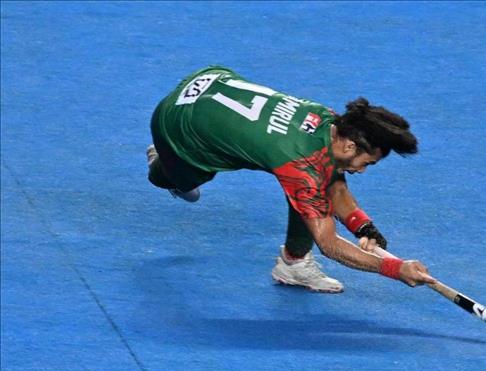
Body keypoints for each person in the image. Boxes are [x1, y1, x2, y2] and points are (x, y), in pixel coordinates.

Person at [146, 65, 436, 293]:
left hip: (209, 80)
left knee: (309, 186)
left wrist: (364, 227)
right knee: (181, 183)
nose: (362, 170)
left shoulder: (328, 120)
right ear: (350, 146)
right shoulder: (302, 166)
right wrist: (395, 268)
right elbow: (329, 243)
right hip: (176, 125)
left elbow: (329, 180)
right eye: (367, 163)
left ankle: (294, 263)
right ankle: (161, 159)